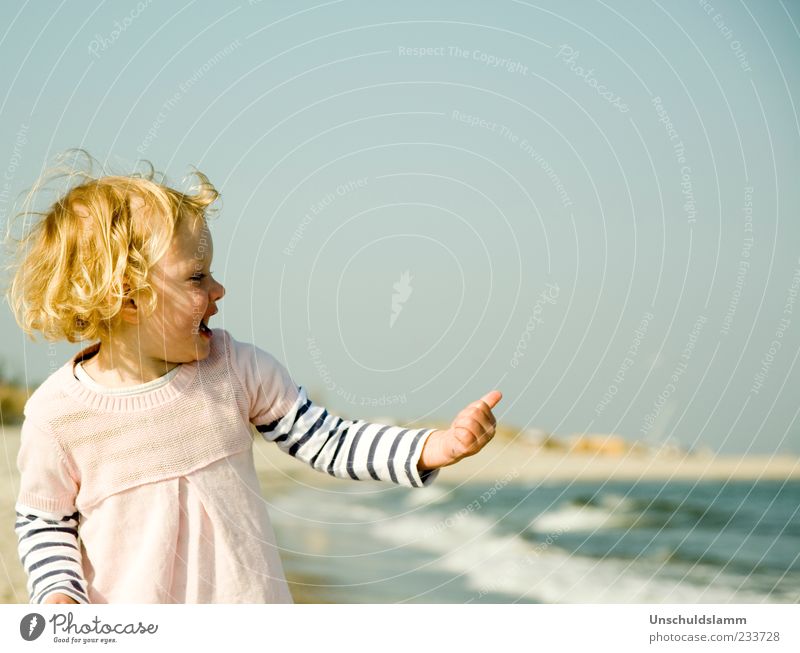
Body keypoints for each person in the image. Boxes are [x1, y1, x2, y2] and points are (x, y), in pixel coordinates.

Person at [6, 154, 502, 604]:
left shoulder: (235, 369)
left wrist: (432, 447)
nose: (219, 289)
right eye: (197, 277)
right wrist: (58, 598)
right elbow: (45, 521)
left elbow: (327, 441)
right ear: (128, 297)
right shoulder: (59, 415)